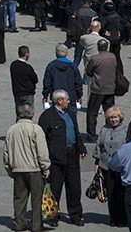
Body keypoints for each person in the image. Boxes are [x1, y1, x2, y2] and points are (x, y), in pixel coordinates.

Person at [38, 89, 87, 227]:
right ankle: (53, 216)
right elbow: (42, 139)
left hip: (72, 154)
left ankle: (76, 216)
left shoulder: (70, 113)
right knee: (55, 188)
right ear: (59, 101)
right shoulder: (47, 116)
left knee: (74, 187)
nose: (69, 101)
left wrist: (81, 148)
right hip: (56, 158)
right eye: (66, 99)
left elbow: (76, 132)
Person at [3, 103, 51, 232]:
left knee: (19, 199)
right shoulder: (36, 129)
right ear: (32, 114)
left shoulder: (11, 129)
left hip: (17, 169)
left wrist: (9, 168)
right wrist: (45, 167)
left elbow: (6, 152)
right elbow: (42, 151)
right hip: (34, 169)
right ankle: (36, 226)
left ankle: (19, 224)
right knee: (37, 199)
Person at [92, 106, 128, 227]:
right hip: (106, 165)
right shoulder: (104, 129)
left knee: (121, 193)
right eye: (111, 117)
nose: (113, 120)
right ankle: (113, 218)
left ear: (120, 117)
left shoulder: (126, 129)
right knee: (111, 192)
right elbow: (98, 146)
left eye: (115, 117)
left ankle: (122, 218)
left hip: (121, 166)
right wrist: (97, 162)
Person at [84, 39, 117, 142]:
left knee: (92, 113)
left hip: (97, 89)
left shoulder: (95, 59)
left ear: (98, 47)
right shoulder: (113, 57)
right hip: (110, 89)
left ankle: (91, 135)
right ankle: (110, 133)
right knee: (110, 113)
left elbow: (89, 72)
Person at [42, 44, 83, 114]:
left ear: (56, 53)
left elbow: (47, 82)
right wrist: (79, 95)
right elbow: (78, 82)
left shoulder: (51, 66)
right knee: (71, 120)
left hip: (56, 97)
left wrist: (45, 95)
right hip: (70, 97)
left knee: (56, 119)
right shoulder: (73, 66)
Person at [10, 46, 38, 121]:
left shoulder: (13, 65)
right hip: (27, 93)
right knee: (28, 114)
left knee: (19, 114)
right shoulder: (28, 67)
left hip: (17, 92)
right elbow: (35, 79)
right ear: (26, 55)